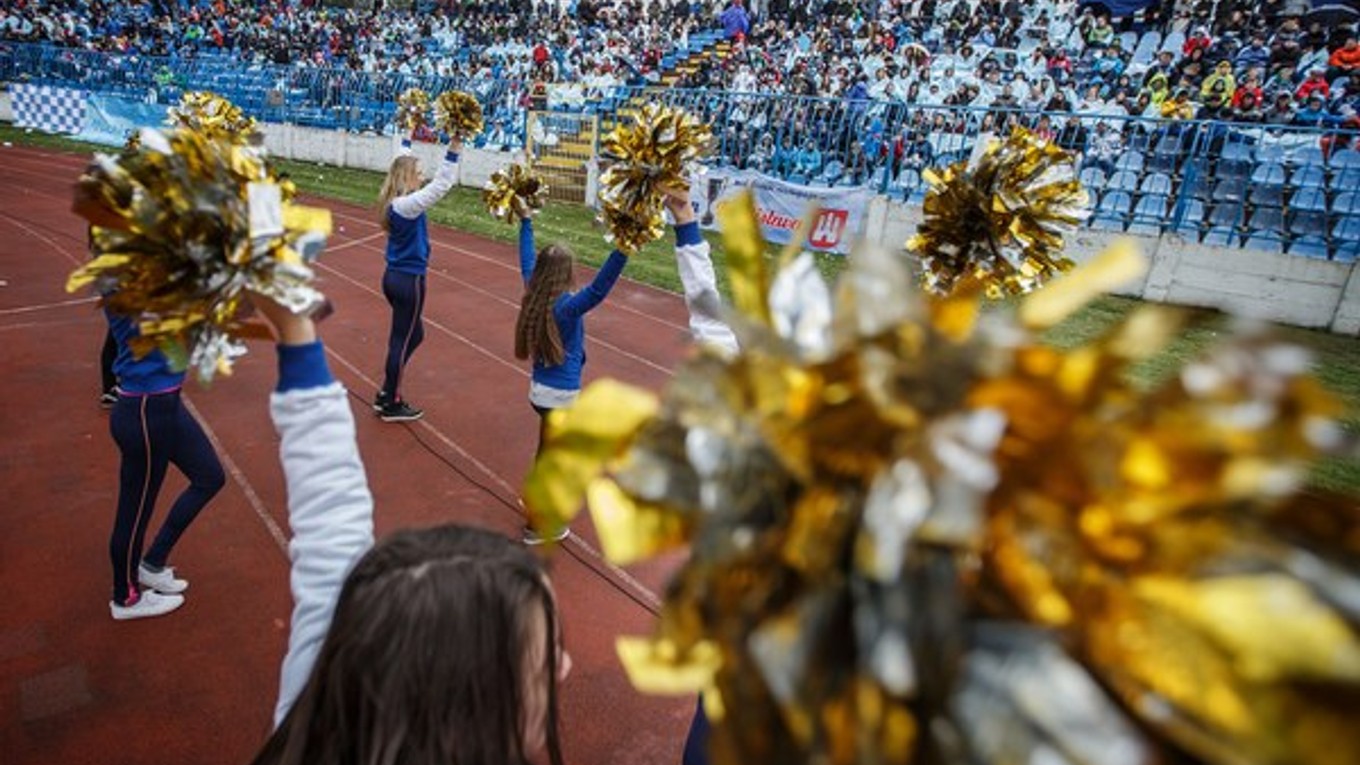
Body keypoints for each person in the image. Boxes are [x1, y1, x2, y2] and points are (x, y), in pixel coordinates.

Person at [244, 297, 570, 765]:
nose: (565, 668)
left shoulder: (326, 688)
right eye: (544, 659)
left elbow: (331, 516)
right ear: (458, 702)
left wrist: (298, 339)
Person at [513, 207, 630, 544]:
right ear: (566, 274)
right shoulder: (566, 307)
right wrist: (622, 249)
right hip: (561, 398)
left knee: (547, 451)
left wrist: (526, 222)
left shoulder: (533, 293)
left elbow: (525, 260)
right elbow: (598, 291)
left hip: (540, 394)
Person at [104, 309, 226, 620]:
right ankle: (125, 598)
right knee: (134, 511)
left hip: (166, 404)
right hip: (144, 411)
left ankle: (153, 562)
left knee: (209, 476)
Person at [372, 134, 462, 423]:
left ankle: (388, 390)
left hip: (394, 277)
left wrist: (408, 134)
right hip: (409, 281)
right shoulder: (406, 205)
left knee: (414, 334)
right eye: (418, 174)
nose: (422, 178)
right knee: (401, 338)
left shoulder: (394, 201)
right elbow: (442, 184)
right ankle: (391, 401)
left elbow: (399, 157)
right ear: (407, 177)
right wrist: (454, 148)